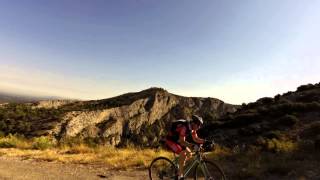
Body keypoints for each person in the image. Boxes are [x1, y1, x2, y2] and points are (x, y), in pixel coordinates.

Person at [166, 115, 205, 180]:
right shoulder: (185, 127)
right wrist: (192, 146)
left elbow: (196, 139)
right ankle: (180, 176)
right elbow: (182, 142)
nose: (199, 127)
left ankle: (179, 166)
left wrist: (205, 141)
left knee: (189, 154)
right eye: (198, 125)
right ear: (194, 123)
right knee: (183, 154)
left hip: (178, 141)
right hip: (171, 141)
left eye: (200, 125)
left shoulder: (192, 129)